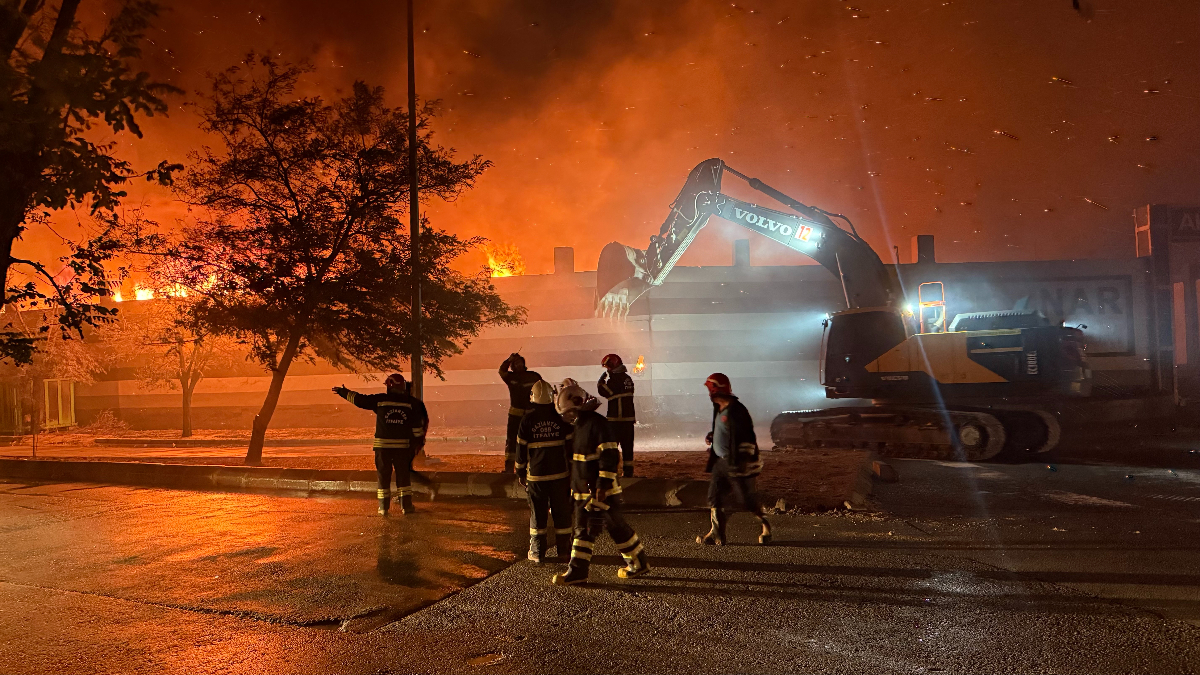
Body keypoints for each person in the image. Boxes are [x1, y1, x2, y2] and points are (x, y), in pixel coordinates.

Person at [550, 383, 650, 586]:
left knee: (584, 530)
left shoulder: (597, 424)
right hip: (586, 490)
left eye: (569, 412)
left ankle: (577, 572)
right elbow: (580, 461)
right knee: (616, 527)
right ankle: (639, 563)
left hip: (598, 491)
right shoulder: (582, 425)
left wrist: (601, 486)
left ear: (577, 405)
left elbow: (610, 455)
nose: (568, 417)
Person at [333, 373, 428, 516]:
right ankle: (406, 507)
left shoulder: (380, 400)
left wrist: (343, 392)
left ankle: (383, 508)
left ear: (389, 386)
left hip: (382, 448)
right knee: (403, 478)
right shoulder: (410, 404)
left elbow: (360, 400)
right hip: (402, 448)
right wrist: (417, 444)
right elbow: (416, 428)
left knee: (383, 476)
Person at [697, 373, 772, 546]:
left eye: (711, 389)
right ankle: (716, 533)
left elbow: (747, 437)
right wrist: (712, 437)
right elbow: (723, 430)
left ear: (718, 389)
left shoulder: (738, 410)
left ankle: (766, 526)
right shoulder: (719, 408)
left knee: (746, 500)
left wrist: (742, 461)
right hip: (721, 462)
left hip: (738, 463)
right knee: (714, 496)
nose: (709, 394)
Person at [515, 380, 574, 563]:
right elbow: (571, 449)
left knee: (538, 513)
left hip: (537, 478)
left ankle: (537, 552)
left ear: (532, 398)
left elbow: (520, 451)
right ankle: (564, 551)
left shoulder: (527, 421)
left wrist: (520, 473)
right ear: (552, 397)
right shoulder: (560, 419)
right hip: (560, 476)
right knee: (562, 512)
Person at [499, 353, 542, 473]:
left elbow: (541, 391)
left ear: (524, 364)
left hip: (530, 414)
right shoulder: (510, 377)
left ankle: (531, 468)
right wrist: (508, 360)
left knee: (531, 441)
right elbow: (501, 371)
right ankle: (508, 469)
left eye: (520, 362)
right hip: (515, 416)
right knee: (512, 442)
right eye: (515, 363)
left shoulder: (534, 376)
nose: (518, 365)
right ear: (512, 366)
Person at [597, 353, 637, 477]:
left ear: (613, 365)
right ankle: (628, 473)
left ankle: (611, 472)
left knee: (612, 448)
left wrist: (600, 383)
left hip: (616, 420)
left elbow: (606, 392)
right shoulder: (627, 378)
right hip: (628, 420)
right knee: (627, 448)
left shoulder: (615, 380)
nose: (608, 370)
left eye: (608, 367)